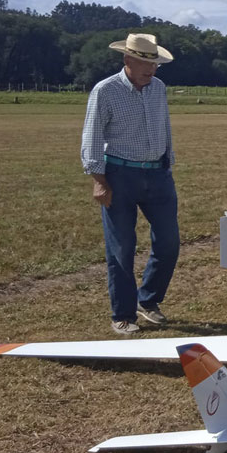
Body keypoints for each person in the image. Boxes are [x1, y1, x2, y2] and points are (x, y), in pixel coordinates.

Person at [81, 33, 180, 335]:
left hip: (158, 175)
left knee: (169, 243)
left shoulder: (158, 88)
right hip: (119, 176)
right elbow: (93, 136)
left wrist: (168, 161)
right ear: (127, 61)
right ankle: (123, 315)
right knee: (122, 248)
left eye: (155, 64)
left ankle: (147, 300)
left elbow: (165, 128)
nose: (152, 70)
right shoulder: (106, 91)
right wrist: (99, 180)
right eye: (145, 64)